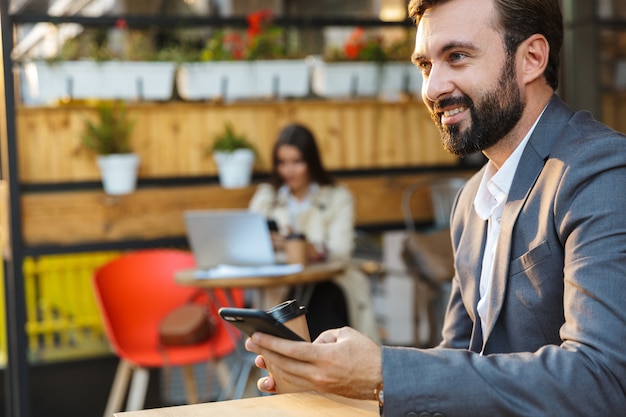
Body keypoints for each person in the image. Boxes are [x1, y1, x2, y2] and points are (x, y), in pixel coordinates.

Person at [244, 0, 626, 416]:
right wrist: (339, 384)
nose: (431, 88)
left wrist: (384, 373)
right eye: (426, 65)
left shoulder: (601, 172)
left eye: (457, 57)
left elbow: (601, 379)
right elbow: (459, 359)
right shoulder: (470, 201)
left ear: (532, 58)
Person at [248, 123, 379, 342]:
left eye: (297, 162)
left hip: (330, 283)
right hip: (277, 288)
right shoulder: (266, 197)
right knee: (278, 308)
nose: (288, 171)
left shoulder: (338, 196)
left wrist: (306, 248)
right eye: (282, 163)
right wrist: (269, 243)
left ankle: (327, 367)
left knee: (320, 300)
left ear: (311, 161)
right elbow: (247, 242)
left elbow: (341, 251)